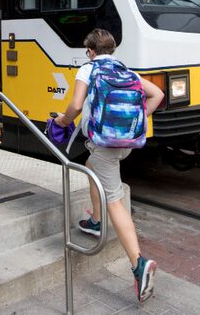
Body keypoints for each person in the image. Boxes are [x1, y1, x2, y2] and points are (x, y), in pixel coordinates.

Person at [53, 28, 164, 303]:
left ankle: (138, 264)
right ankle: (95, 221)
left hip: (105, 144)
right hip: (126, 142)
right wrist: (135, 119)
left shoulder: (88, 70)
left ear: (90, 51)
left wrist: (62, 122)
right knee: (90, 165)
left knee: (114, 198)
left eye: (86, 51)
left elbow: (76, 105)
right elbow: (158, 95)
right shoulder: (126, 71)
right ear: (111, 49)